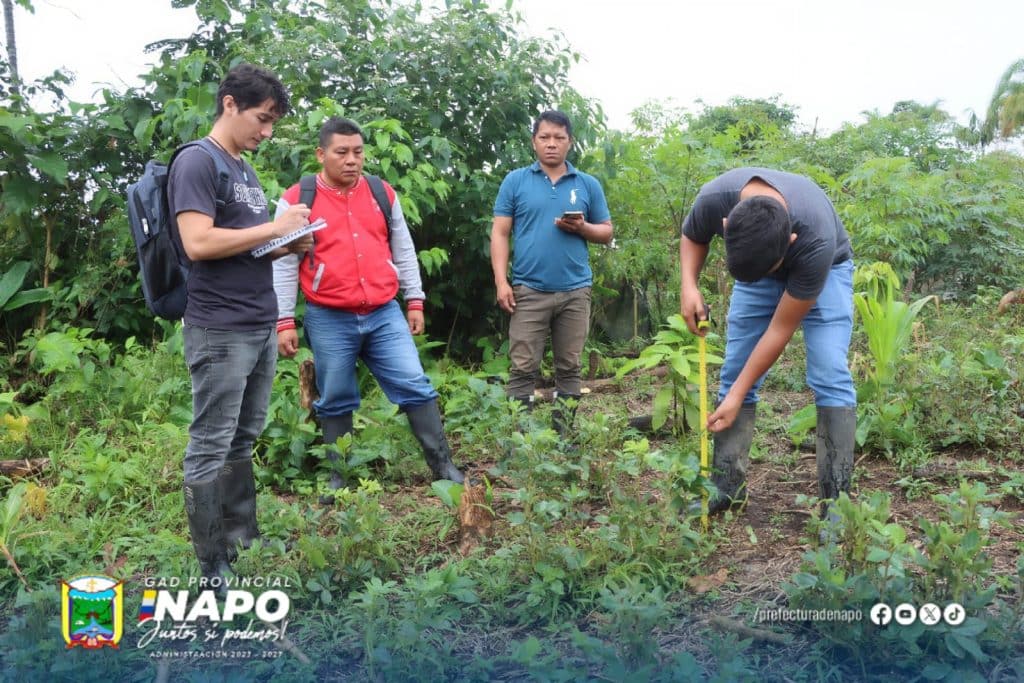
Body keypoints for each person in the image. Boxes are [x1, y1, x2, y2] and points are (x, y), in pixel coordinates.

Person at [168, 64, 312, 589]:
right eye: (262, 118)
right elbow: (198, 243)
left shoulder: (244, 171)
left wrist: (285, 242)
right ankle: (212, 566)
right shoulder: (197, 163)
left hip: (256, 320)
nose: (267, 131)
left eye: (273, 122)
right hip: (219, 327)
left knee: (243, 438)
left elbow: (244, 242)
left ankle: (242, 536)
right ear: (230, 104)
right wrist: (274, 228)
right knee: (211, 440)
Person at [273, 117, 465, 502]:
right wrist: (284, 321)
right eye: (341, 152)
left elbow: (403, 248)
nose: (351, 160)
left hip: (383, 312)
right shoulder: (298, 198)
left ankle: (443, 466)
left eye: (358, 152)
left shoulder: (381, 192)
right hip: (329, 315)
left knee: (414, 382)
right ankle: (339, 479)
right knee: (337, 395)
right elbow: (282, 262)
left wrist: (414, 299)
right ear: (321, 154)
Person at [679, 167, 856, 525]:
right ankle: (726, 489)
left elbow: (779, 329)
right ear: (727, 226)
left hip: (827, 269)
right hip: (760, 255)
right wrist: (689, 285)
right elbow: (692, 234)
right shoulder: (715, 198)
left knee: (829, 373)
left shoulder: (814, 240)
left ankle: (836, 507)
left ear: (789, 241)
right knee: (734, 370)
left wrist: (737, 395)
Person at [489, 110, 613, 437]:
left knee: (570, 367)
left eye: (559, 137)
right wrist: (502, 282)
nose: (552, 144)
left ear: (570, 142)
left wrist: (582, 226)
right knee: (522, 368)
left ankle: (564, 440)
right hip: (529, 289)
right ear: (534, 142)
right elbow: (500, 233)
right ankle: (522, 444)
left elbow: (607, 232)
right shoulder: (515, 181)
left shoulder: (587, 184)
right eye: (545, 137)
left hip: (575, 290)